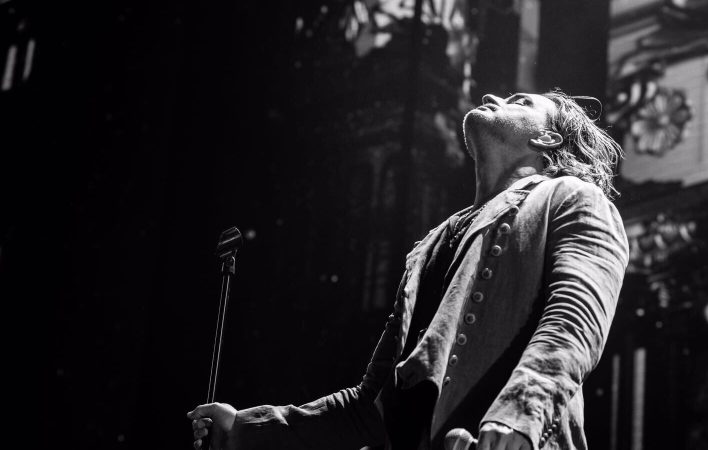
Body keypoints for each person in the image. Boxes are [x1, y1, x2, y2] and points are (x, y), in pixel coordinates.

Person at [188, 91, 629, 450]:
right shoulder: (432, 244)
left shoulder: (574, 198)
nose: (492, 97)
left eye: (520, 101)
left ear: (548, 139)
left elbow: (575, 320)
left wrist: (520, 413)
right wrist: (245, 428)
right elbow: (368, 407)